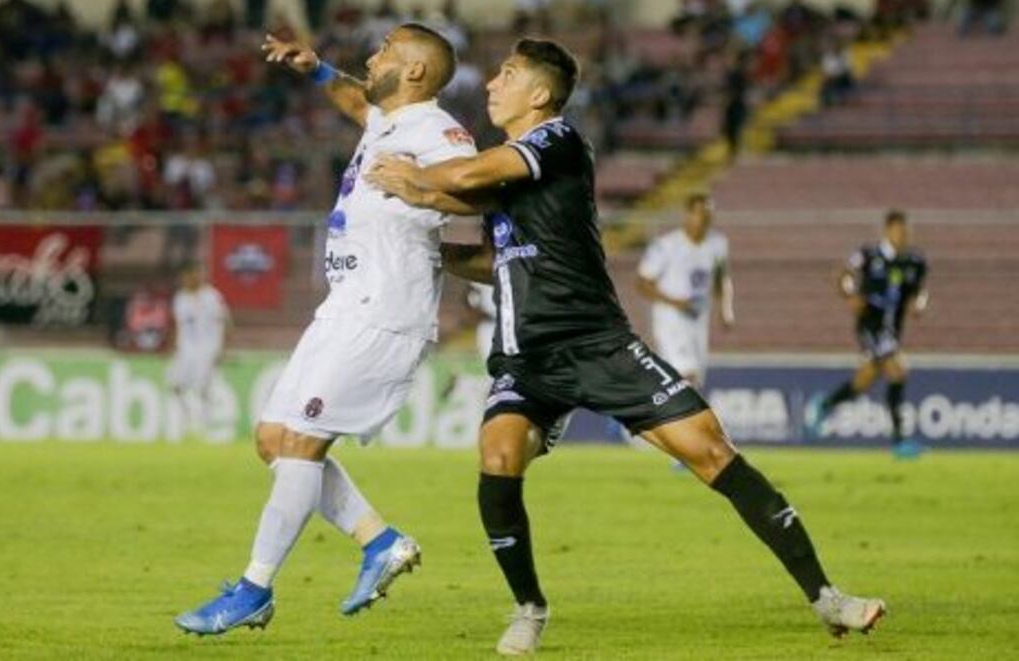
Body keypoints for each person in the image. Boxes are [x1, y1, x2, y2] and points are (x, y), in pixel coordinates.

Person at [367, 38, 884, 655]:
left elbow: (471, 174)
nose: (489, 84)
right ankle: (528, 608)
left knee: (711, 451)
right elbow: (494, 257)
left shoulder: (555, 141)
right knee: (498, 454)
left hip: (597, 343)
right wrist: (430, 254)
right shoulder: (509, 172)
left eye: (506, 74)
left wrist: (417, 182)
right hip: (528, 356)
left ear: (539, 93)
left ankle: (828, 597)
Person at [174, 23, 479, 637]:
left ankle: (254, 589)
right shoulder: (387, 121)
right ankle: (379, 541)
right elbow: (353, 99)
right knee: (273, 438)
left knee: (304, 443)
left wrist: (421, 190)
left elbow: (477, 191)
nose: (373, 55)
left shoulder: (437, 130)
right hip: (346, 304)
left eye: (387, 50)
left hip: (385, 309)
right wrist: (315, 69)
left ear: (416, 71)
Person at [806, 210, 929, 458]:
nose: (903, 236)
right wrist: (850, 294)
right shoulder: (868, 255)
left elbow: (920, 291)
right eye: (898, 231)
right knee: (897, 369)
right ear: (888, 230)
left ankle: (825, 405)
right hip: (869, 324)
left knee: (864, 381)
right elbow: (844, 275)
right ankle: (899, 441)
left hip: (892, 329)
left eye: (906, 232)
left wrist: (920, 304)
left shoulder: (915, 262)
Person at [635, 193, 734, 391]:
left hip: (698, 318)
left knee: (691, 380)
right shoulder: (667, 246)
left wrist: (726, 309)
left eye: (708, 213)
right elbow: (642, 283)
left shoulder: (718, 243)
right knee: (686, 375)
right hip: (671, 319)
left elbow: (721, 278)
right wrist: (675, 302)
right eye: (699, 213)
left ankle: (655, 418)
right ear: (687, 215)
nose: (704, 218)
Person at [166, 265, 230, 434]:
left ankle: (206, 420)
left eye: (190, 276)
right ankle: (186, 417)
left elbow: (223, 322)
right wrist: (175, 347)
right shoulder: (180, 298)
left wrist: (221, 348)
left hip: (207, 348)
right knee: (176, 386)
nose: (187, 280)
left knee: (202, 387)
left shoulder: (212, 296)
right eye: (184, 277)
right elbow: (178, 325)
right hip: (185, 349)